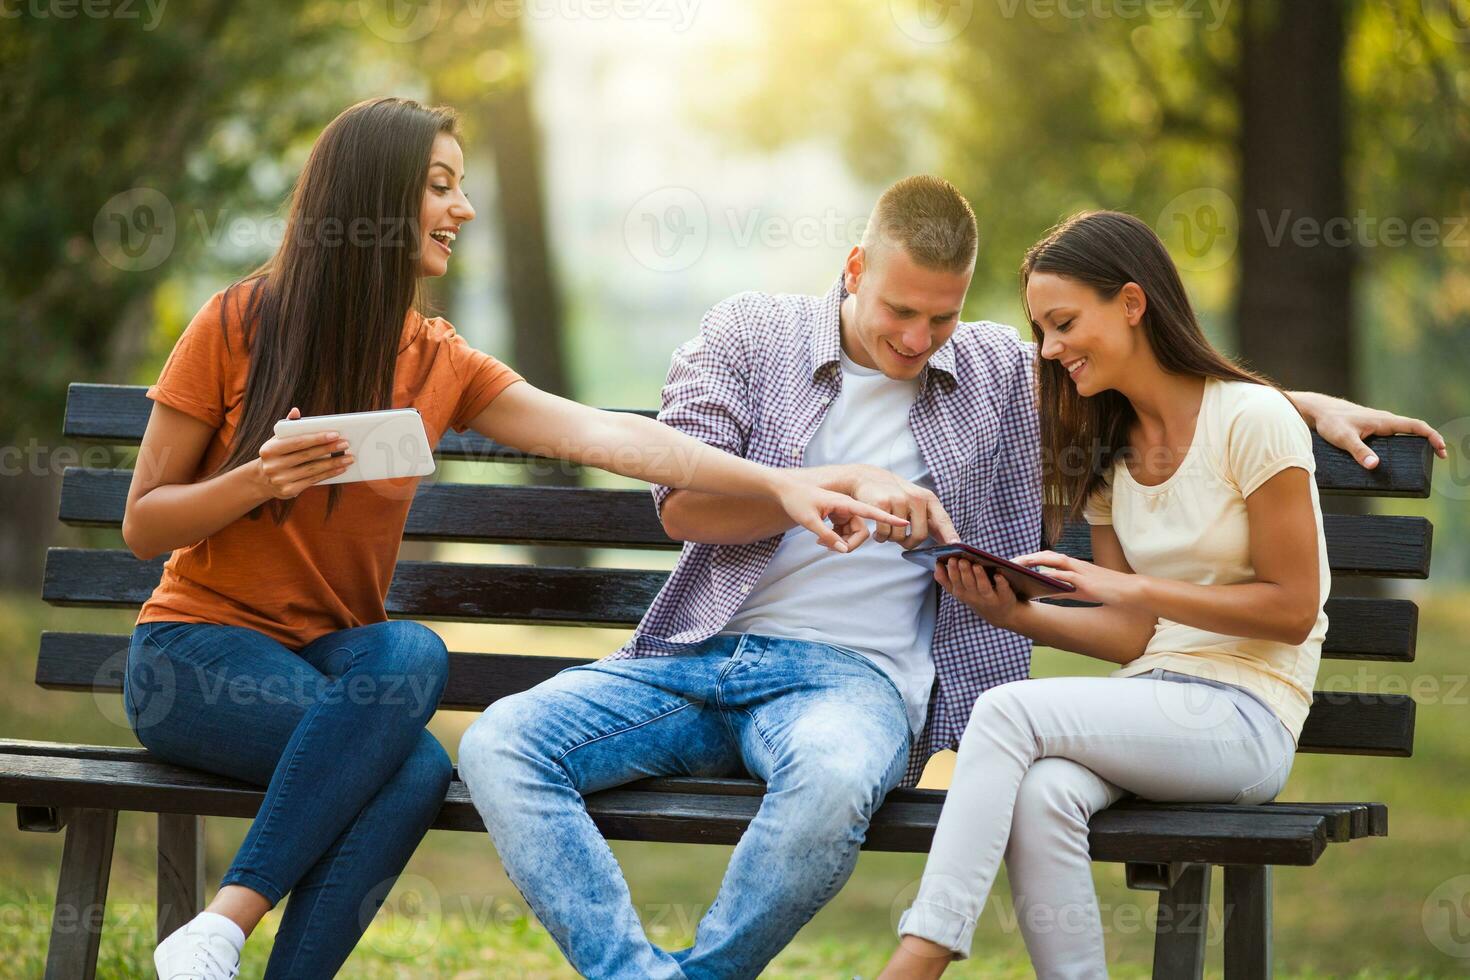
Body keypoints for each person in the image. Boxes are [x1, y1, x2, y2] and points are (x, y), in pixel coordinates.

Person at [457, 177, 1445, 979]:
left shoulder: (988, 372)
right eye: (898, 309)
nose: (918, 337)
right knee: (501, 742)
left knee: (836, 782)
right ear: (853, 268)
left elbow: (1152, 373)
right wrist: (819, 485)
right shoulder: (749, 337)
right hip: (698, 651)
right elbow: (681, 501)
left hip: (851, 684)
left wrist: (1308, 404)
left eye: (944, 314)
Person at [120, 96, 903, 980]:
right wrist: (256, 481)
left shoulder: (437, 359)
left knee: (410, 671)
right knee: (405, 764)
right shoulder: (234, 323)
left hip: (330, 668)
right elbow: (145, 524)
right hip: (189, 663)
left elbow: (615, 438)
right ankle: (225, 925)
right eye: (440, 187)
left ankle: (218, 943)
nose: (464, 208)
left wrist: (782, 485)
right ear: (373, 198)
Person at [876, 209, 1428, 979]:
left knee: (1004, 711)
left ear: (1132, 304)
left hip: (1247, 717)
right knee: (1043, 795)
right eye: (1040, 329)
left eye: (1064, 323)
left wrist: (1131, 583)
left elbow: (1294, 607)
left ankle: (920, 955)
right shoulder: (1110, 452)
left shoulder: (1253, 420)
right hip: (1156, 700)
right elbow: (1135, 634)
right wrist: (1019, 615)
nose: (1050, 348)